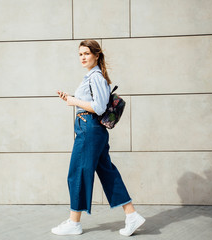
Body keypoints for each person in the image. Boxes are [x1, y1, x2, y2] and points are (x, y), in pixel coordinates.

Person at [51, 40, 145, 237]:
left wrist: (73, 101)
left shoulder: (96, 77)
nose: (83, 57)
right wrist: (70, 98)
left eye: (86, 53)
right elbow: (92, 102)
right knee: (107, 172)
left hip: (89, 130)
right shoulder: (91, 77)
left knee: (77, 173)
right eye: (80, 54)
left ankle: (74, 222)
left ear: (96, 55)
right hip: (91, 129)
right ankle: (132, 215)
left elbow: (100, 107)